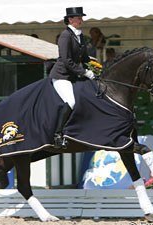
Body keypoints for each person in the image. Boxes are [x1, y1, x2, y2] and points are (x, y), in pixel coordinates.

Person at [49, 7, 95, 148]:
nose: (81, 20)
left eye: (81, 17)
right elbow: (66, 60)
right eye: (78, 17)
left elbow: (85, 57)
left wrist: (96, 68)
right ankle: (57, 135)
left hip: (74, 75)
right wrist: (84, 72)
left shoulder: (80, 35)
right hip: (62, 75)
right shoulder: (65, 35)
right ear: (70, 19)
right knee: (71, 102)